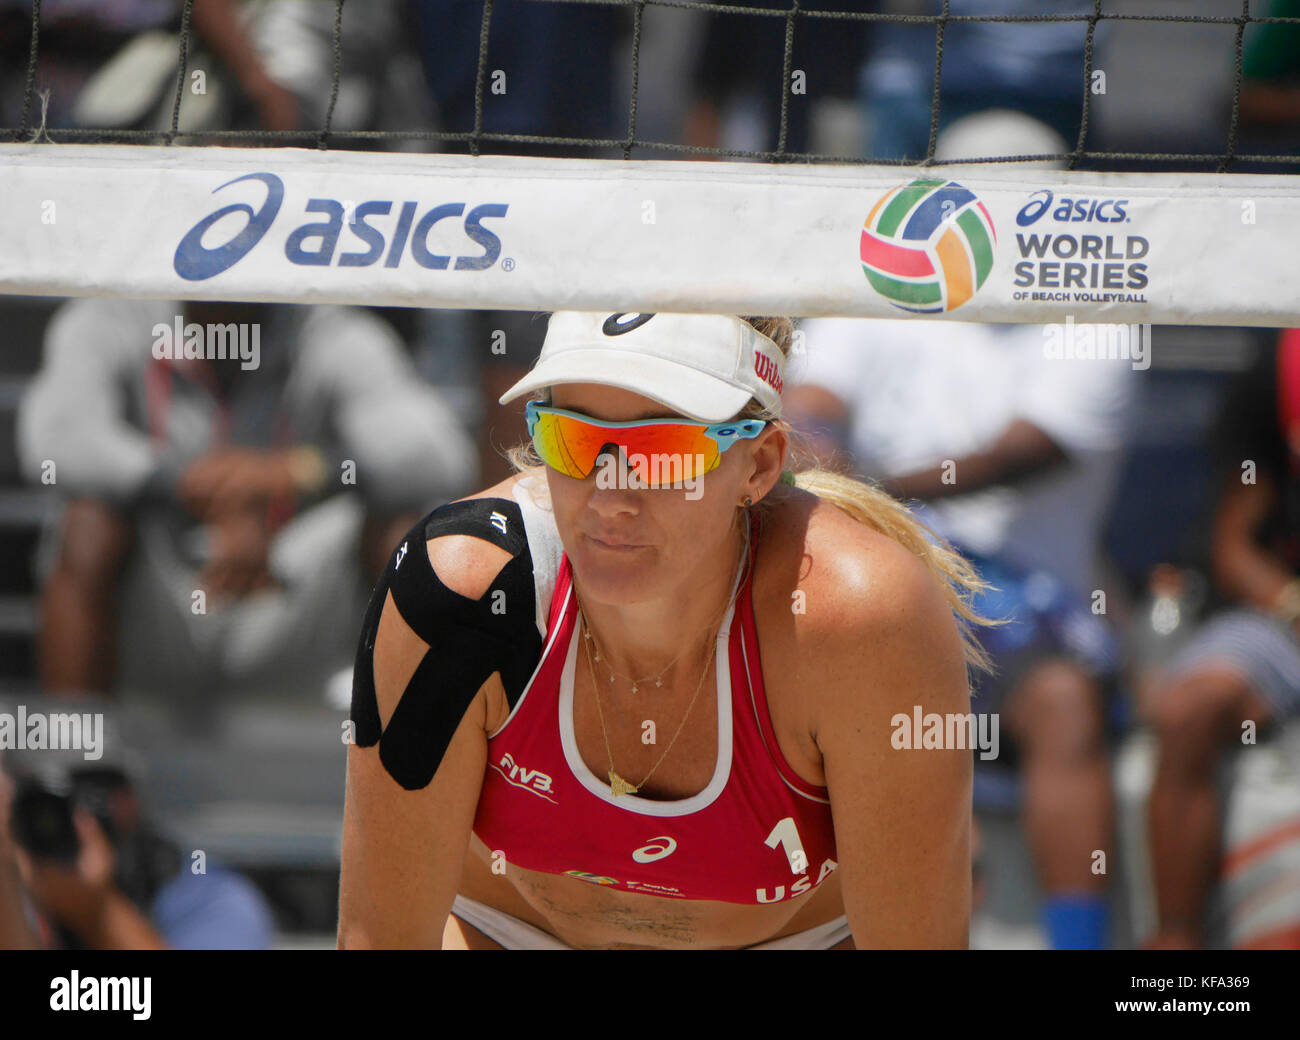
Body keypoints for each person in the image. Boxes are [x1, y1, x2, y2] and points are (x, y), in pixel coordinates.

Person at [338, 311, 994, 950]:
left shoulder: (857, 614)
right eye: (572, 441)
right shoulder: (461, 587)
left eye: (663, 455)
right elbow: (380, 940)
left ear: (760, 465)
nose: (608, 497)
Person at [787, 315, 1136, 949]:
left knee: (1062, 702)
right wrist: (816, 444)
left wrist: (861, 490)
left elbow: (1021, 453)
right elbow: (807, 407)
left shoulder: (1097, 314)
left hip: (1024, 606)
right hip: (879, 569)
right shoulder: (874, 289)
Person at [17, 298, 475, 703]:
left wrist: (295, 472)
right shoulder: (113, 318)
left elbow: (438, 453)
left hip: (283, 588)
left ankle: (416, 770)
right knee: (87, 526)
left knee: (404, 531)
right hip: (164, 601)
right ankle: (79, 770)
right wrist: (188, 488)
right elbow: (54, 439)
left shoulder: (327, 330)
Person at [1144, 329, 1300, 949]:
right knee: (1188, 708)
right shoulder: (1281, 369)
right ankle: (1178, 953)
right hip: (1279, 615)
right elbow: (1234, 548)